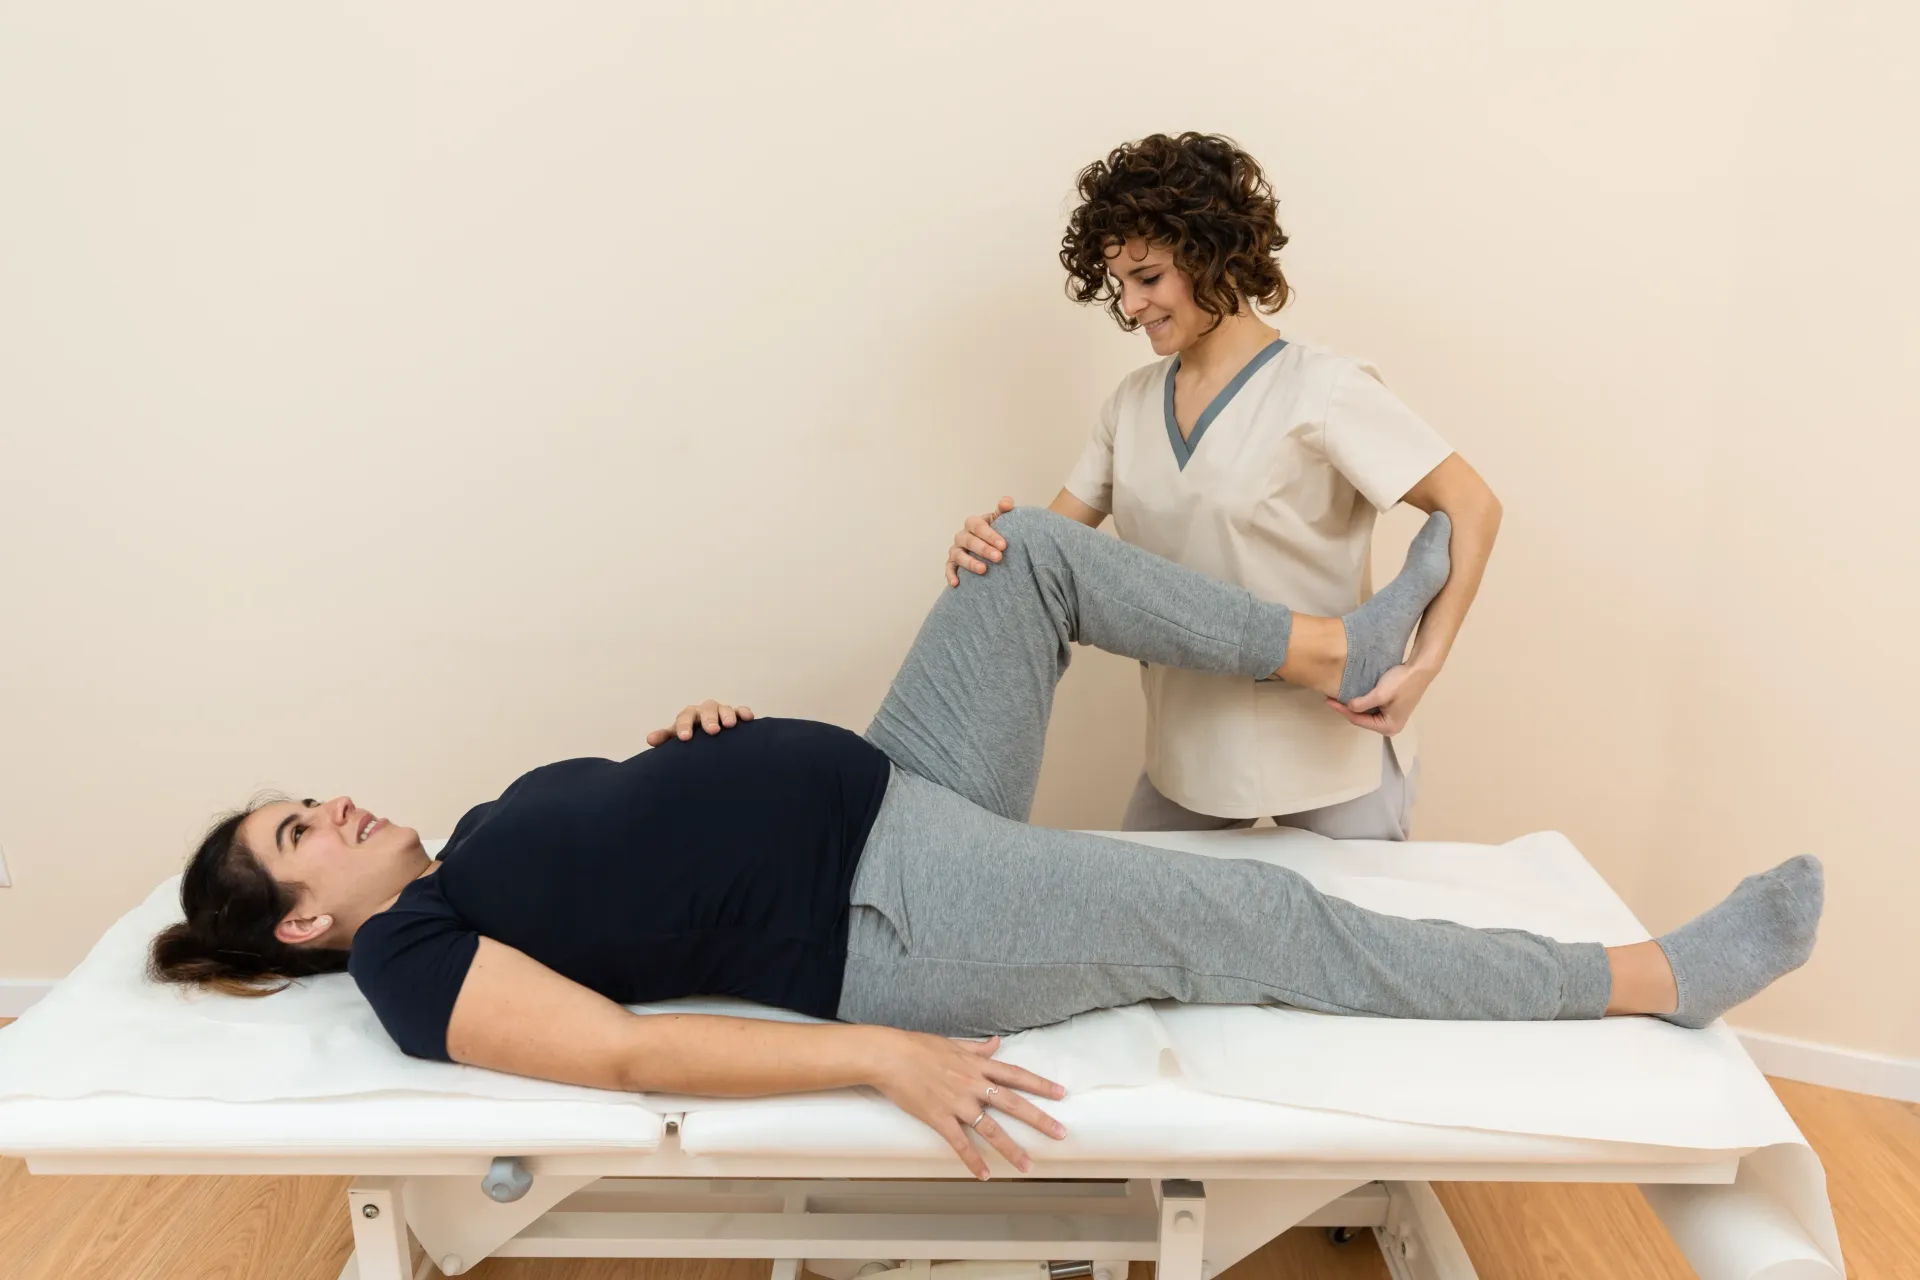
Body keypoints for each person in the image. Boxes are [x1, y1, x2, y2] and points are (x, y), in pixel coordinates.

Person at [149, 508, 1821, 1180]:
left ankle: (1347, 651)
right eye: (306, 831)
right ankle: (1645, 977)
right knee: (1246, 907)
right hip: (894, 910)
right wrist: (882, 1057)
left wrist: (697, 746)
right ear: (300, 922)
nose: (341, 807)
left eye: (313, 794)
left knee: (1021, 547)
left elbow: (644, 858)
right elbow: (618, 1047)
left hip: (889, 782)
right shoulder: (407, 958)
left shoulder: (477, 842)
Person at [948, 131, 1503, 839]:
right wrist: (988, 546)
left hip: (1331, 747)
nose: (1132, 304)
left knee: (1350, 941)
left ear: (1213, 253)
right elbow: (1051, 554)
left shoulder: (1323, 389)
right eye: (1119, 284)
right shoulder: (1131, 403)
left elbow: (1473, 506)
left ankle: (1353, 650)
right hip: (1189, 756)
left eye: (1148, 277)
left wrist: (1423, 664)